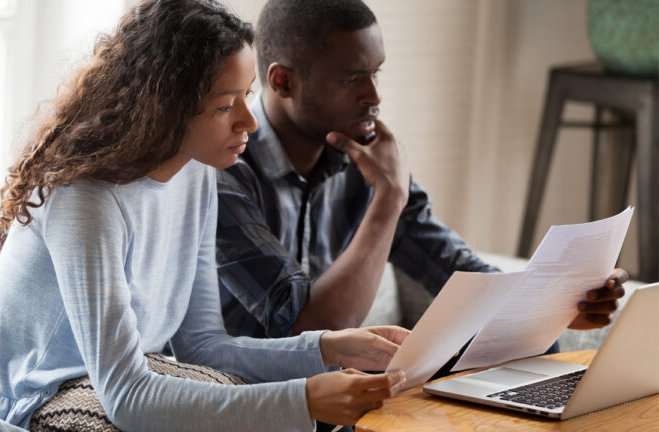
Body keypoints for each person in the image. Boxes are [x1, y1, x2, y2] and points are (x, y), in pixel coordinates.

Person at [0, 1, 410, 430]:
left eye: (246, 96)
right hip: (23, 401)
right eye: (226, 105)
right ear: (165, 109)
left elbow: (202, 347)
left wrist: (333, 346)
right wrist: (303, 399)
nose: (248, 122)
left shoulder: (197, 174)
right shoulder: (84, 199)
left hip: (111, 386)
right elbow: (127, 394)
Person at [216, 0, 628, 340]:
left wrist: (557, 305)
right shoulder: (225, 172)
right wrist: (388, 197)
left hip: (342, 395)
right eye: (353, 79)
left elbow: (451, 265)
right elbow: (309, 334)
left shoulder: (363, 158)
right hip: (252, 400)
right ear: (283, 82)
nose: (374, 96)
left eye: (375, 73)